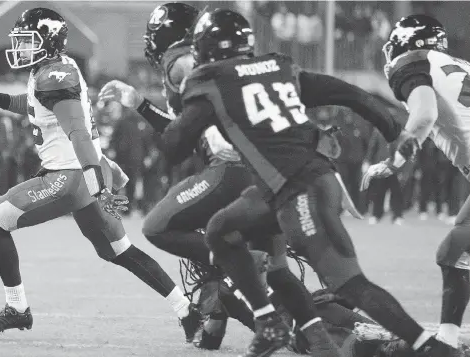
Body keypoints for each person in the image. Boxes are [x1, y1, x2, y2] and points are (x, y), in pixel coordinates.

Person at [158, 9, 457, 357]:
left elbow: (174, 147)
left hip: (297, 190)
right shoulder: (277, 69)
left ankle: (429, 347)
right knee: (220, 229)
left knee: (350, 283)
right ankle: (270, 323)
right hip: (301, 181)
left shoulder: (209, 81)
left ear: (205, 48)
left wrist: (172, 105)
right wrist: (393, 129)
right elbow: (347, 92)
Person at [99, 4, 346, 355]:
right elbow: (181, 131)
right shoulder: (221, 67)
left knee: (163, 230)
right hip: (268, 175)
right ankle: (329, 341)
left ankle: (273, 313)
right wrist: (139, 103)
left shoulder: (183, 63)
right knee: (273, 274)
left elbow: (191, 130)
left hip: (235, 169)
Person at [0, 8, 200, 341]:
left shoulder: (53, 77)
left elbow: (77, 132)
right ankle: (187, 311)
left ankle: (17, 308)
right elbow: (33, 105)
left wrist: (97, 184)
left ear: (48, 41)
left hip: (67, 177)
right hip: (83, 177)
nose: (22, 49)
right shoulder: (52, 71)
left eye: (29, 42)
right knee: (118, 250)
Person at [362, 13, 470, 352]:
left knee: (454, 251)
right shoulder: (457, 64)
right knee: (457, 248)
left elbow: (425, 114)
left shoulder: (412, 63)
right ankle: (446, 342)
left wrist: (393, 164)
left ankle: (445, 345)